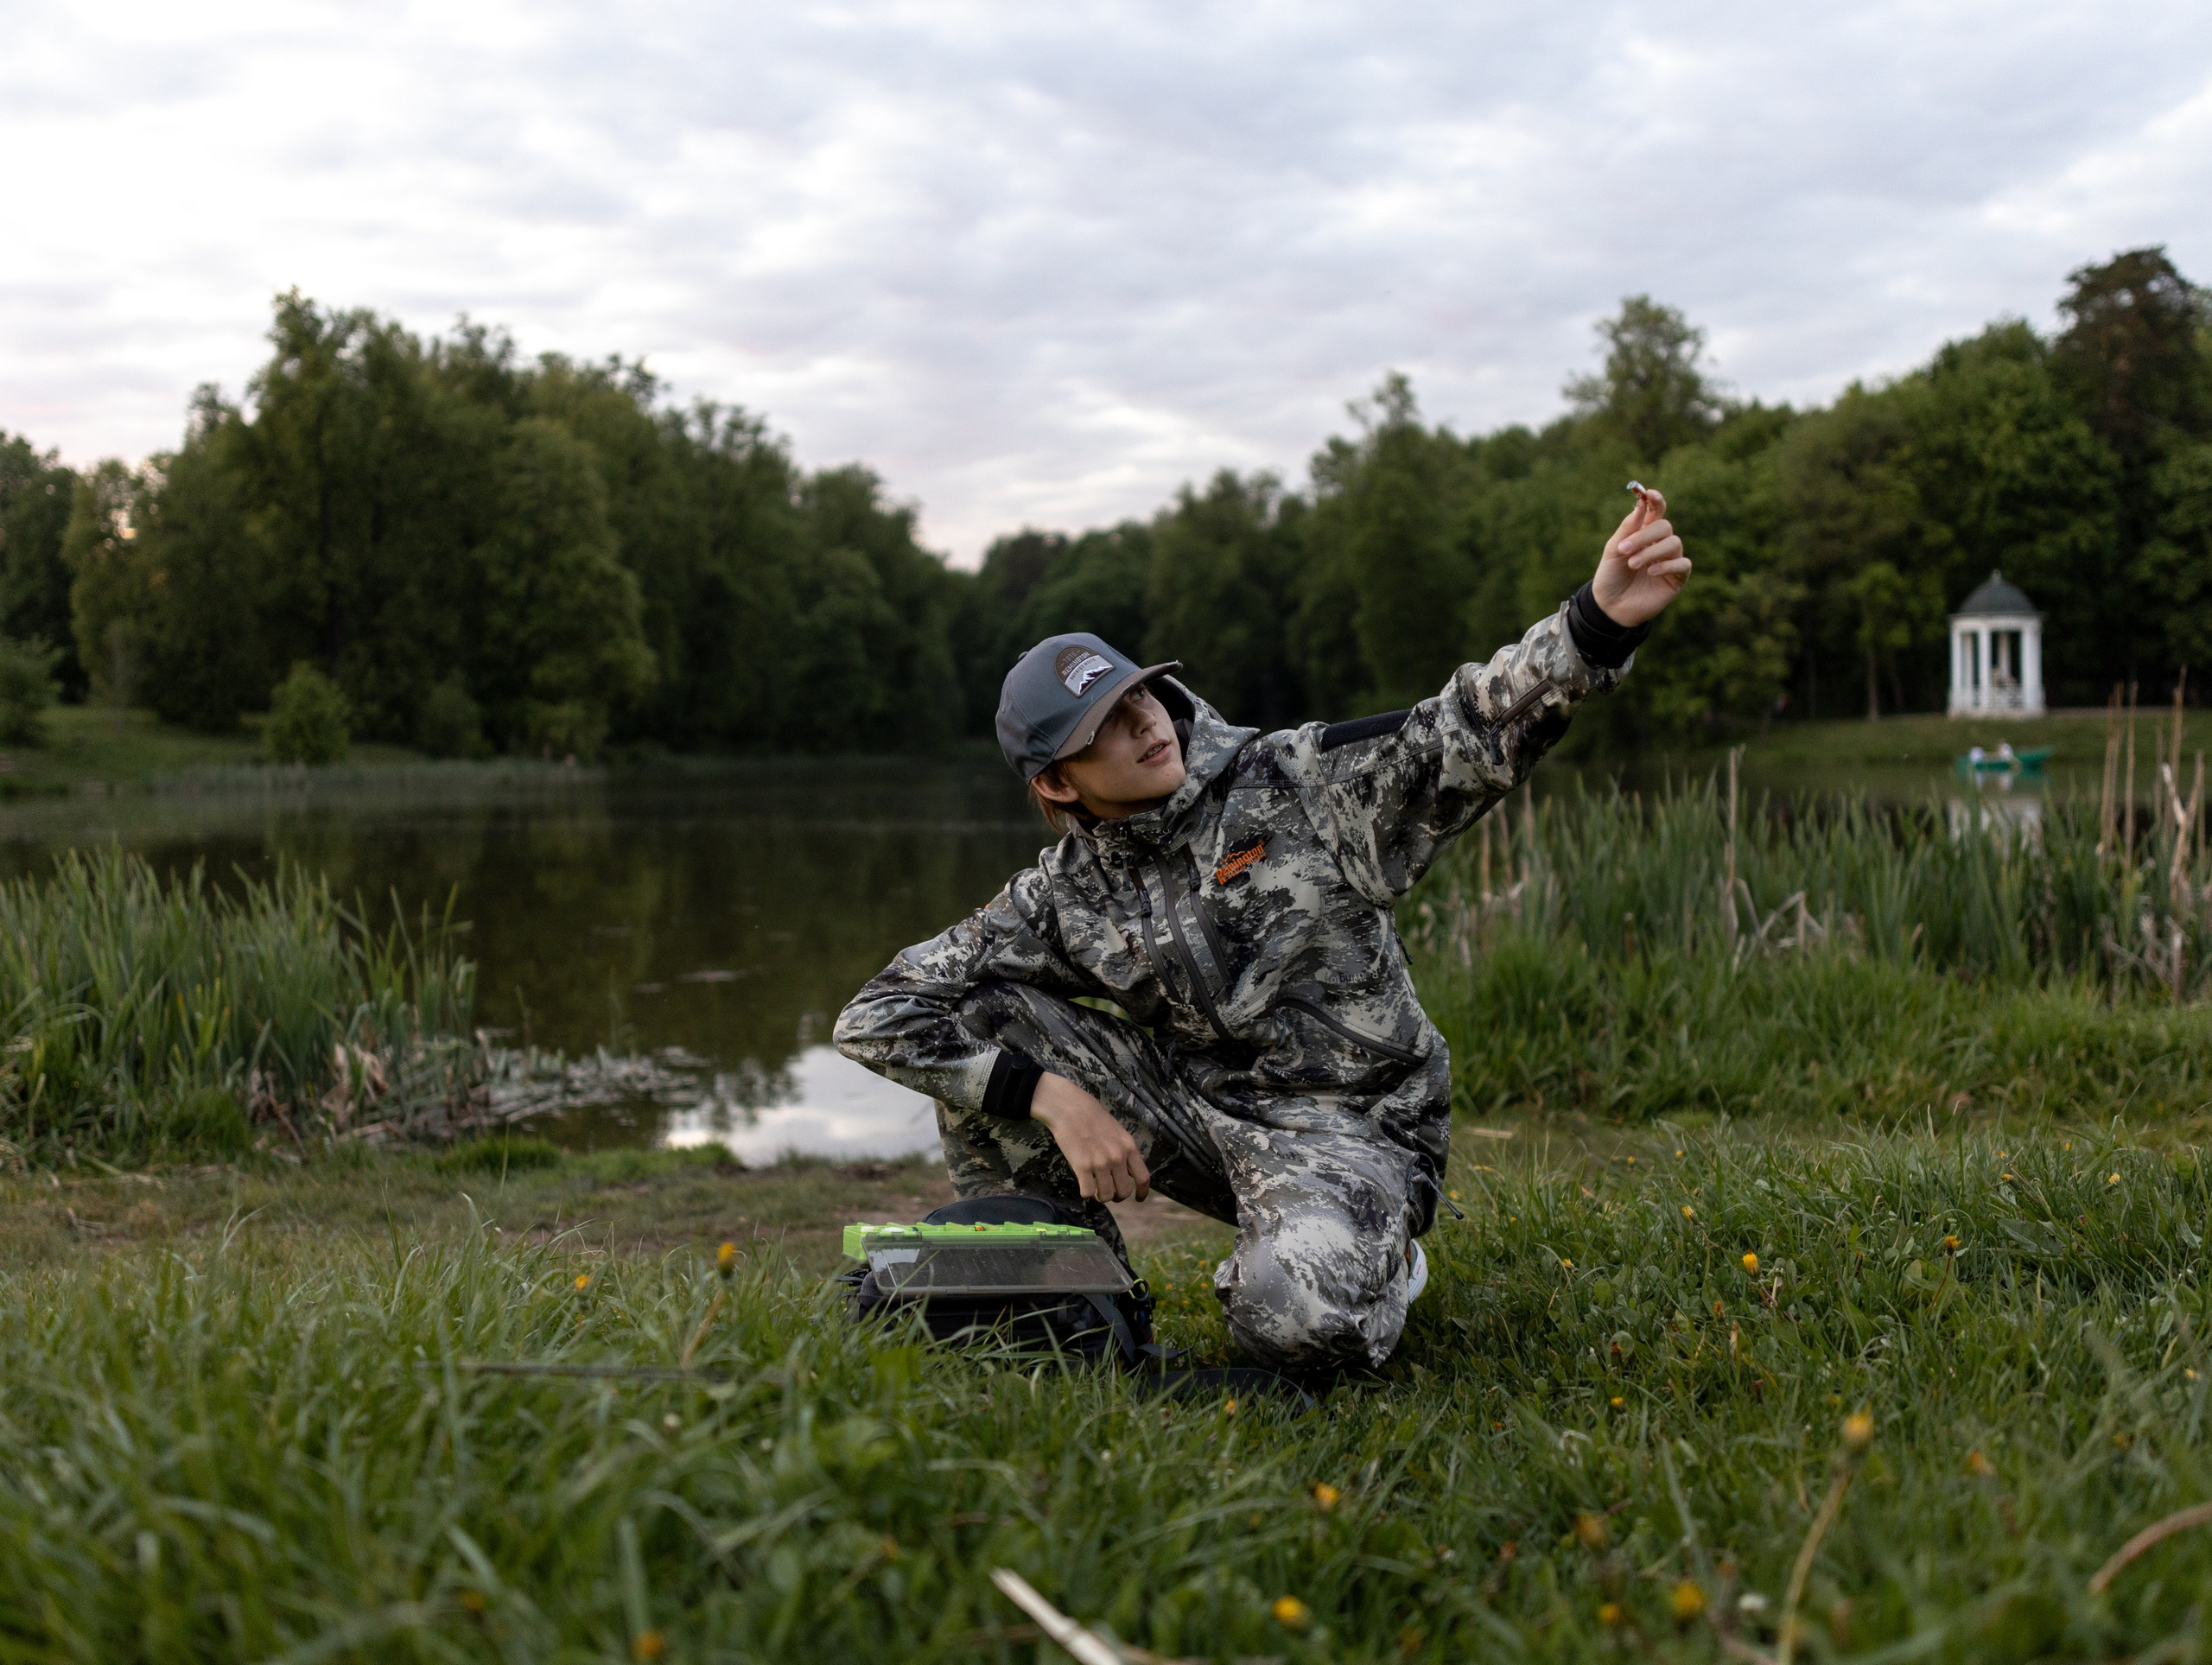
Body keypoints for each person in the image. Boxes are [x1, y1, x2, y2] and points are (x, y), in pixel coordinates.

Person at [834, 489, 1691, 1373]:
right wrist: (1051, 1096)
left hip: (1350, 1123)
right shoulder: (1061, 893)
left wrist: (1594, 624)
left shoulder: (1295, 781)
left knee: (1290, 1323)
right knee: (975, 1026)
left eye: (1138, 697)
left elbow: (1459, 730)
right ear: (1057, 782)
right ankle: (1078, 1302)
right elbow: (877, 1012)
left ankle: (1376, 1248)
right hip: (1198, 1110)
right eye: (1103, 727)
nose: (1141, 724)